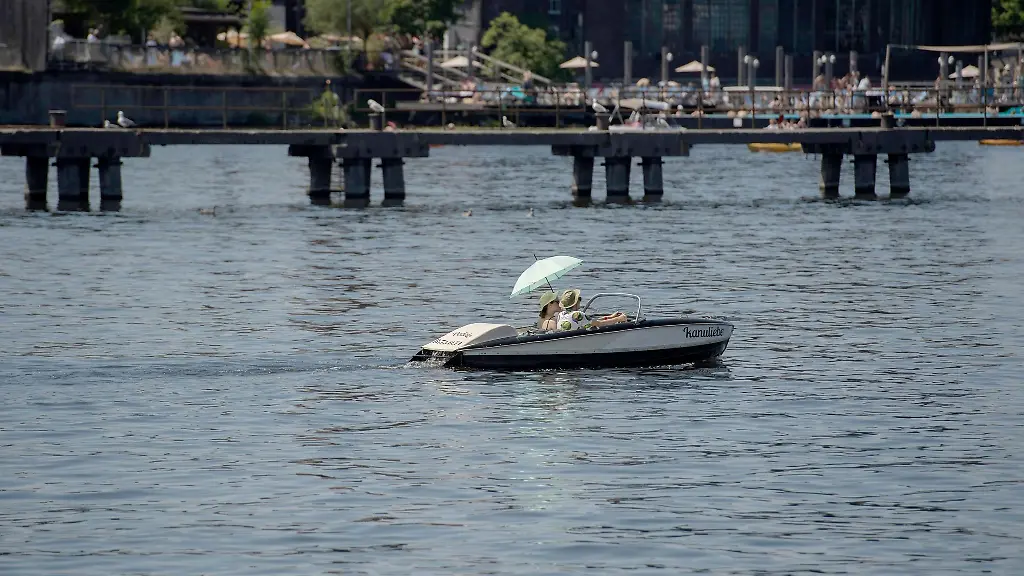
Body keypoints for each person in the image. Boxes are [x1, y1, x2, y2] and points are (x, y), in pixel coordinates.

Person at [556, 289, 628, 331]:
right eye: (579, 299)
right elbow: (600, 324)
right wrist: (618, 319)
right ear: (575, 303)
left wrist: (610, 317)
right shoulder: (578, 315)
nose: (580, 301)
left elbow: (590, 321)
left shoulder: (561, 314)